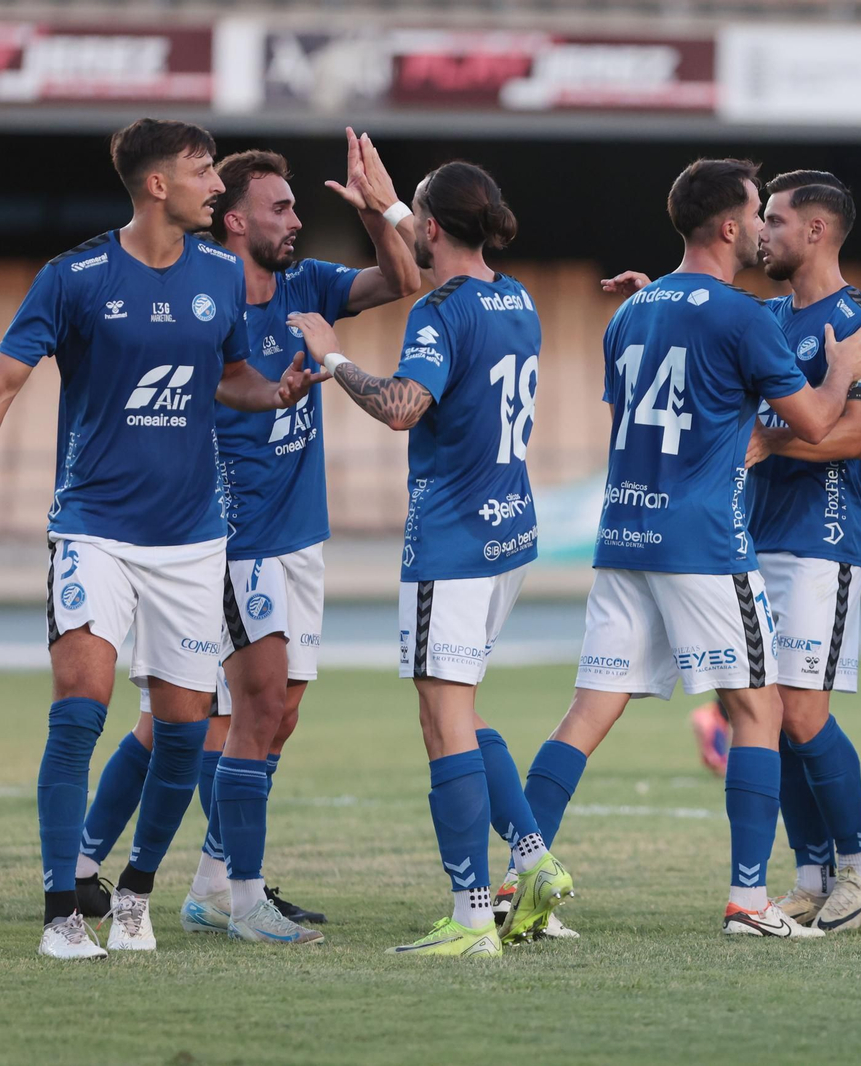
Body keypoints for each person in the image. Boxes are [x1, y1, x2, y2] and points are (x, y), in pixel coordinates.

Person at [0, 118, 321, 959]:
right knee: (79, 714)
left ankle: (136, 897)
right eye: (202, 169)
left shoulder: (220, 273)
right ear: (156, 185)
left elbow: (231, 379)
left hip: (191, 542)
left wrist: (280, 392)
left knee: (183, 733)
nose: (216, 184)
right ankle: (62, 916)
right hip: (94, 530)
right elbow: (1, 383)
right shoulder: (73, 278)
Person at [511, 158, 861, 939]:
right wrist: (838, 374)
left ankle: (521, 882)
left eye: (776, 217)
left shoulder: (634, 311)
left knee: (590, 712)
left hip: (632, 533)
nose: (763, 227)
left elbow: (640, 410)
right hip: (710, 540)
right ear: (729, 225)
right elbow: (822, 422)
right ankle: (755, 901)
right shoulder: (751, 315)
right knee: (760, 709)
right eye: (759, 213)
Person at [70, 131, 422, 942]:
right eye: (281, 206)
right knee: (242, 712)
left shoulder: (309, 285)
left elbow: (404, 278)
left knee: (251, 716)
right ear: (231, 219)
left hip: (300, 535)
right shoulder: (209, 292)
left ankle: (149, 875)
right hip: (234, 537)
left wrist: (378, 213)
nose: (296, 218)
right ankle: (235, 895)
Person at [289, 159, 571, 958]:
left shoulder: (440, 311)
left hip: (453, 539)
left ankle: (471, 915)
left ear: (436, 229)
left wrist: (332, 356)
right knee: (463, 708)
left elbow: (403, 408)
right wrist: (390, 203)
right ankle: (533, 861)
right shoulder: (516, 297)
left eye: (417, 217)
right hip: (511, 531)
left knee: (441, 718)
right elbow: (434, 245)